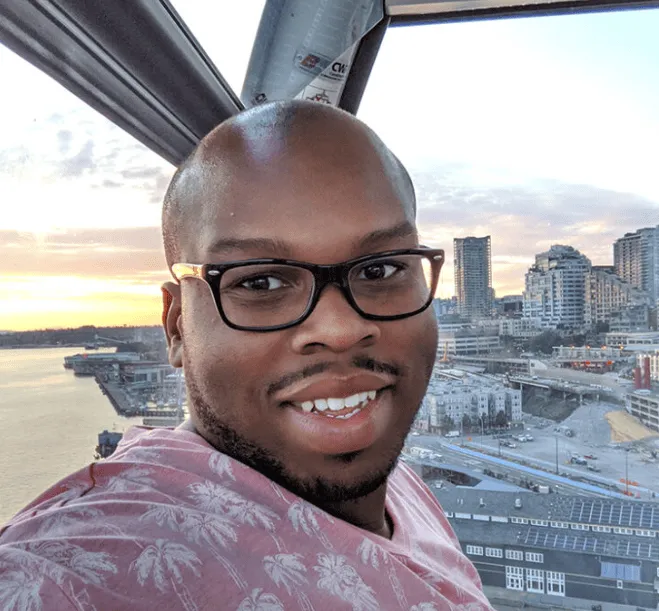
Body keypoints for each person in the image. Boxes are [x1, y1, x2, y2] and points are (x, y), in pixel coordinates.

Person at [0, 100, 494, 611]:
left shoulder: (402, 486)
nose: (340, 329)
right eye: (261, 283)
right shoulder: (74, 571)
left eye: (380, 270)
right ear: (177, 327)